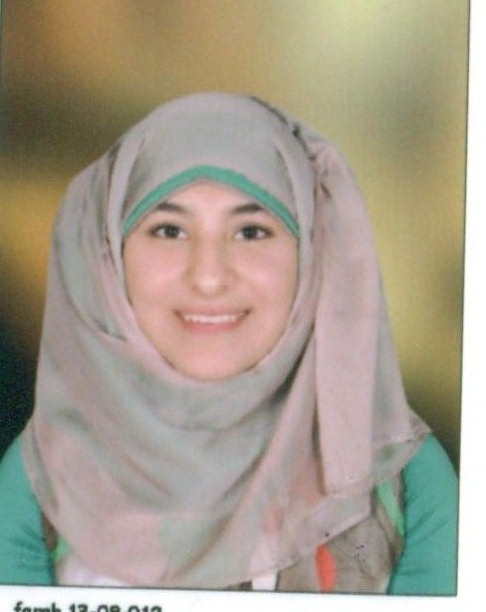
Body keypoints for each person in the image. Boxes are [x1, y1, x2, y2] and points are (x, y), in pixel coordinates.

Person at [0, 92, 458, 594]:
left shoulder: (405, 479)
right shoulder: (44, 475)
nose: (209, 277)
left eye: (251, 232)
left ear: (312, 254)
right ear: (110, 259)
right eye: (169, 230)